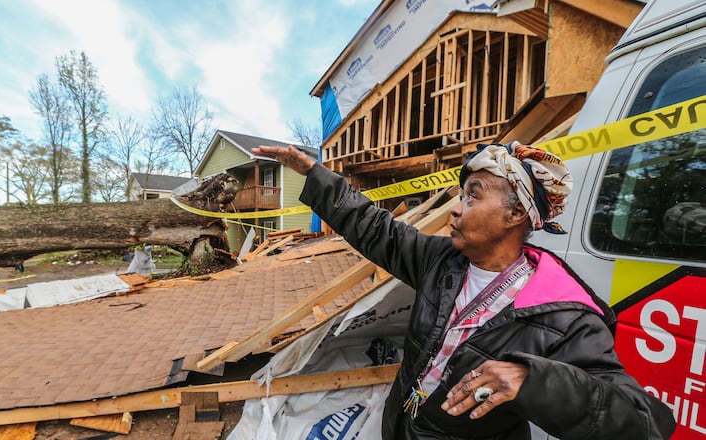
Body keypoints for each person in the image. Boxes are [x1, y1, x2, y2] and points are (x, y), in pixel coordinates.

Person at [251, 142, 675, 440]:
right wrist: (314, 174)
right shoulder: (443, 262)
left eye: (472, 197)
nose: (455, 208)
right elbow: (374, 228)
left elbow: (646, 423)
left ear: (515, 213)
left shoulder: (563, 315)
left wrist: (535, 382)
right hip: (403, 425)